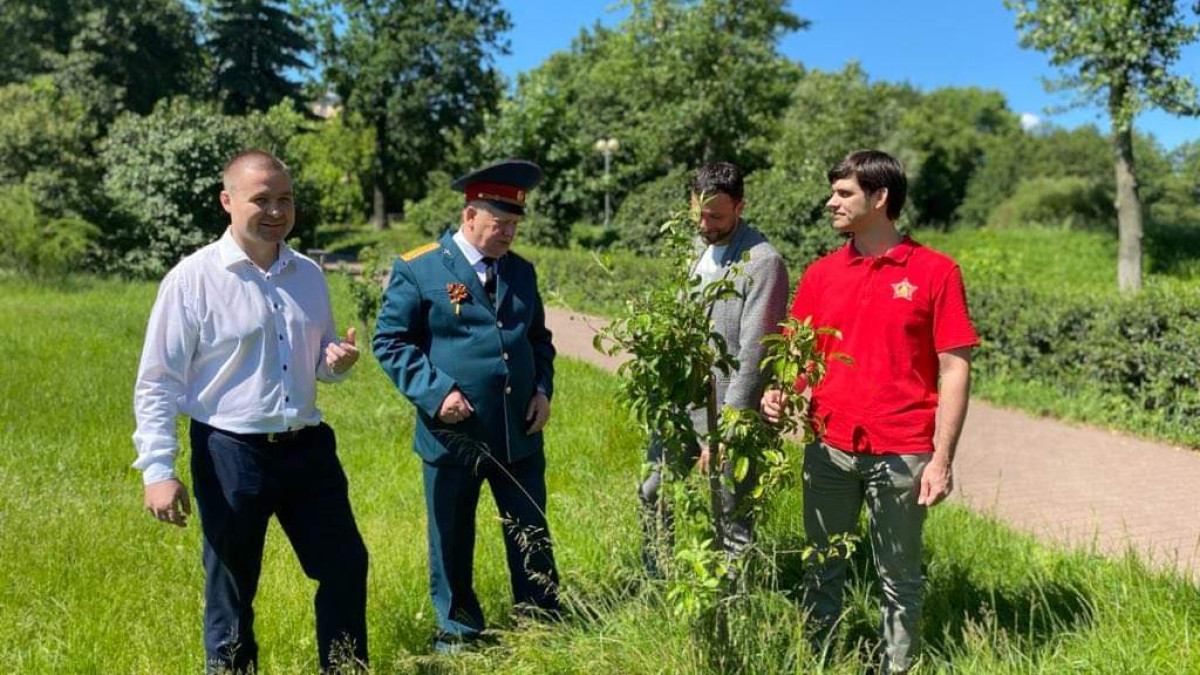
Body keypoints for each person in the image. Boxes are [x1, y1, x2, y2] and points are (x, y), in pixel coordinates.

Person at [132, 150, 368, 673]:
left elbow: (318, 361)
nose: (276, 211)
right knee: (233, 590)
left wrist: (335, 362)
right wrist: (158, 470)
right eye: (261, 199)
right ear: (228, 201)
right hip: (230, 454)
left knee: (346, 567)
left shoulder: (308, 274)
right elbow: (158, 381)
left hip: (307, 449)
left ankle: (346, 668)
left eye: (285, 199)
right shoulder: (192, 279)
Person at [761, 150, 977, 674]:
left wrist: (942, 459)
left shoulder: (936, 272)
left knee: (899, 577)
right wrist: (782, 390)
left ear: (880, 198)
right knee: (822, 567)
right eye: (833, 192)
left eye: (844, 193)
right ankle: (818, 661)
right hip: (828, 447)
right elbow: (799, 354)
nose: (831, 202)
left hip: (903, 452)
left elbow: (955, 369)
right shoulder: (822, 273)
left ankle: (897, 667)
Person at [373, 159, 559, 653]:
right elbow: (390, 341)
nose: (509, 234)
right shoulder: (420, 267)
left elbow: (538, 340)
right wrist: (436, 393)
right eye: (500, 223)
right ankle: (458, 629)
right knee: (451, 536)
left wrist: (542, 390)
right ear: (470, 215)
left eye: (515, 224)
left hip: (518, 431)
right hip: (453, 435)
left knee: (530, 530)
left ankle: (541, 617)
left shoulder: (521, 271)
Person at [638, 162, 790, 570]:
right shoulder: (694, 247)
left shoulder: (763, 262)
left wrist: (726, 430)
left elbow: (755, 354)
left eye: (717, 217)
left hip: (728, 411)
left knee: (730, 517)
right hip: (680, 405)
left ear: (740, 207)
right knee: (653, 491)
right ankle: (656, 579)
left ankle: (732, 598)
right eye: (699, 214)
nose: (706, 225)